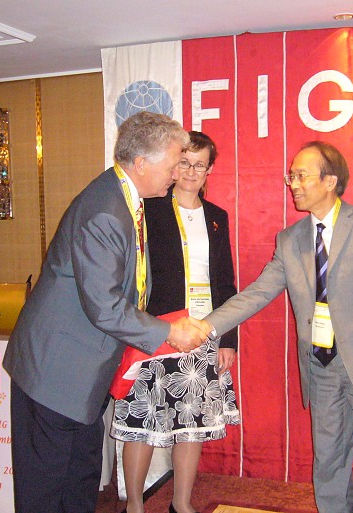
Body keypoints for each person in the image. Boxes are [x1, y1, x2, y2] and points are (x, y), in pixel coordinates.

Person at [3, 112, 208, 513]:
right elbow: (105, 306)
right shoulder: (105, 210)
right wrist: (169, 332)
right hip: (55, 373)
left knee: (79, 481)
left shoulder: (126, 199)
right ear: (142, 163)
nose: (177, 174)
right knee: (47, 489)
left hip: (81, 372)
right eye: (173, 164)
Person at [197, 141, 353, 513]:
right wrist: (206, 326)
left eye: (301, 176)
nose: (293, 184)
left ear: (330, 181)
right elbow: (257, 292)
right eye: (291, 176)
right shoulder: (290, 240)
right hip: (320, 366)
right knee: (328, 462)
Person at [111, 131, 240, 513]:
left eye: (200, 164)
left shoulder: (217, 217)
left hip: (202, 333)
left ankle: (181, 504)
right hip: (157, 332)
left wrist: (228, 339)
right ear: (173, 164)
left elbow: (226, 281)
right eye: (184, 162)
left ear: (209, 169)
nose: (191, 171)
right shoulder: (149, 209)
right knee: (143, 422)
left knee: (191, 424)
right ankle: (135, 505)